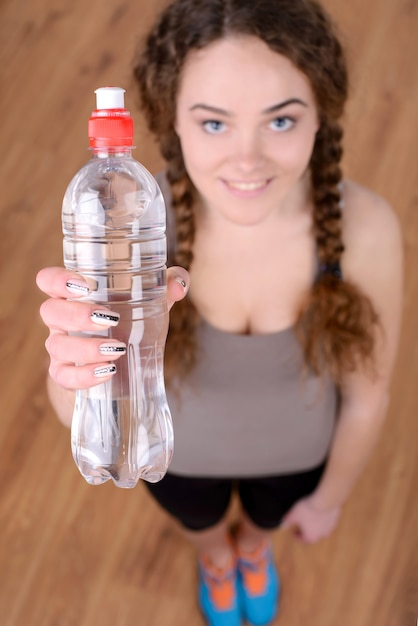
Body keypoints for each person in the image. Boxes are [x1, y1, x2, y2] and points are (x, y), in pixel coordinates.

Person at [36, 1, 403, 625]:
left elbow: (369, 396)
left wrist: (329, 499)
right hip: (177, 461)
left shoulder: (366, 230)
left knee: (262, 527)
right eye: (213, 124)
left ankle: (255, 552)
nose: (247, 160)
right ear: (170, 122)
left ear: (322, 117)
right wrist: (73, 370)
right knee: (201, 525)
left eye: (281, 121)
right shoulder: (132, 230)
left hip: (296, 464)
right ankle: (214, 559)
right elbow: (87, 402)